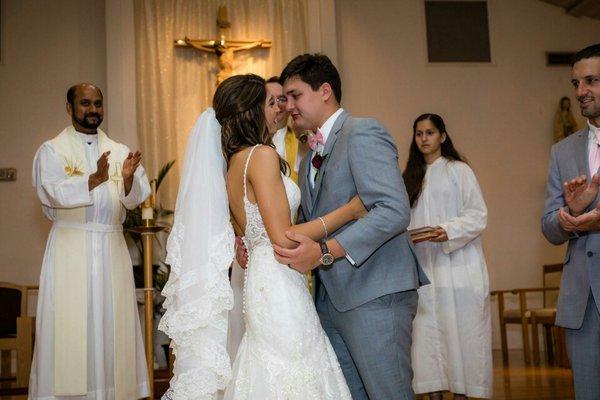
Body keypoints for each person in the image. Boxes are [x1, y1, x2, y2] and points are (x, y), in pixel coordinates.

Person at [159, 74, 368, 399]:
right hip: (278, 281)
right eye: (271, 103)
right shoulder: (262, 156)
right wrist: (350, 212)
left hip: (261, 278)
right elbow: (283, 239)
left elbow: (247, 234)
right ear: (250, 113)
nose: (280, 108)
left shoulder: (232, 165)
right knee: (295, 369)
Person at [273, 54, 428, 400]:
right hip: (331, 300)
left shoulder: (362, 132)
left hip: (375, 293)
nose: (289, 106)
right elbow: (312, 221)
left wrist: (325, 252)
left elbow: (392, 210)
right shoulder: (308, 151)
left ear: (325, 90)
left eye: (295, 95)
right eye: (285, 98)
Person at [30, 83, 151, 399]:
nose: (93, 109)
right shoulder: (52, 151)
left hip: (111, 250)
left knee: (112, 327)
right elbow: (49, 192)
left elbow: (137, 198)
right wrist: (92, 180)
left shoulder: (121, 151)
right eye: (85, 103)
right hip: (71, 248)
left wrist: (125, 182)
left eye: (98, 103)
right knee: (71, 330)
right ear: (69, 108)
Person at [404, 113, 492, 400]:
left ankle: (463, 393)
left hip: (458, 267)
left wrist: (446, 230)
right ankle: (433, 393)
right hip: (426, 269)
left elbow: (478, 215)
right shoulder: (410, 177)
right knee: (428, 338)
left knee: (461, 335)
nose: (424, 138)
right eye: (419, 133)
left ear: (442, 136)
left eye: (430, 132)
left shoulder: (459, 171)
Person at [541, 43, 600, 400]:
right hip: (583, 301)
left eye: (591, 81)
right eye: (575, 83)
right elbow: (548, 226)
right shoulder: (562, 151)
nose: (580, 92)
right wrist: (572, 215)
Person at [266, 76, 310, 183]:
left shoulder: (303, 140)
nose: (277, 105)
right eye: (271, 101)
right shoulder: (252, 141)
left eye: (281, 99)